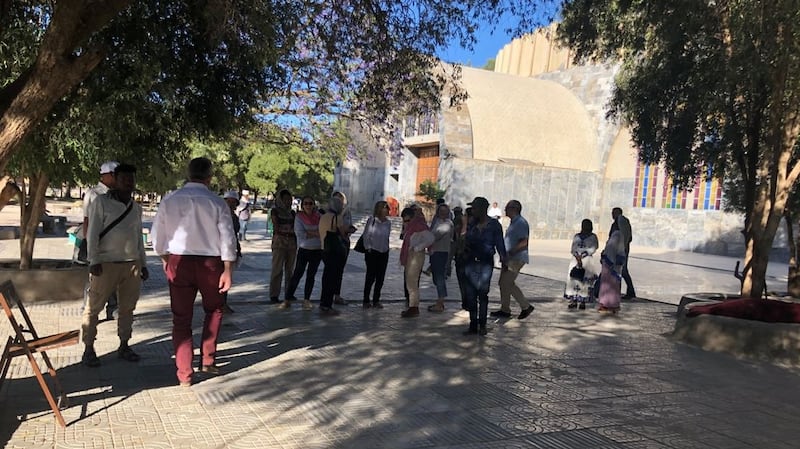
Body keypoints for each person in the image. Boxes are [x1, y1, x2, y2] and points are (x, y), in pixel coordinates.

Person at [151, 157, 237, 387]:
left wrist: (165, 257)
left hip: (179, 261)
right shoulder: (217, 202)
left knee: (181, 318)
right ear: (210, 177)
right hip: (210, 263)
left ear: (188, 174)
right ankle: (207, 360)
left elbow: (157, 236)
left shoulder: (170, 200)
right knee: (215, 309)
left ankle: (184, 374)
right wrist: (228, 268)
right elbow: (228, 237)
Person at [81, 164, 148, 367]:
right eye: (124, 178)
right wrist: (94, 260)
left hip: (131, 264)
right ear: (115, 180)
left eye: (131, 179)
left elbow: (138, 238)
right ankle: (89, 348)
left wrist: (143, 264)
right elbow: (92, 233)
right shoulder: (100, 202)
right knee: (94, 308)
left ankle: (124, 344)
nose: (128, 182)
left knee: (128, 308)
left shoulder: (136, 208)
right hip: (106, 264)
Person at [79, 161, 119, 321]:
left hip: (113, 246)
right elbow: (87, 221)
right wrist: (91, 246)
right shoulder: (93, 194)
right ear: (106, 175)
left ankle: (113, 308)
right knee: (94, 279)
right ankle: (88, 308)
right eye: (116, 175)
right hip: (97, 244)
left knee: (113, 277)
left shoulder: (117, 195)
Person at [462, 197, 507, 336]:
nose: (472, 211)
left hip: (485, 262)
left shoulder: (494, 225)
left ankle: (482, 324)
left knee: (482, 293)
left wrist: (504, 260)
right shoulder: (471, 224)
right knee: (470, 294)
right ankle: (473, 324)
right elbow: (465, 240)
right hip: (470, 261)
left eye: (474, 208)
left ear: (482, 209)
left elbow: (500, 244)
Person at [490, 200, 535, 319]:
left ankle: (526, 306)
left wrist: (509, 253)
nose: (505, 209)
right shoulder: (514, 222)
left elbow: (524, 242)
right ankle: (505, 309)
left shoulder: (520, 223)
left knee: (507, 282)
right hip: (509, 258)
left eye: (507, 208)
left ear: (514, 209)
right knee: (503, 283)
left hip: (516, 258)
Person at [284, 196, 322, 311]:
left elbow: (322, 231)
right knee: (297, 274)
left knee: (311, 276)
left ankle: (307, 300)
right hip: (304, 249)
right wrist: (315, 233)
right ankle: (287, 299)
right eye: (306, 203)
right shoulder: (299, 217)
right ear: (302, 205)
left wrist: (310, 232)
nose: (308, 206)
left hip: (317, 249)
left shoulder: (319, 216)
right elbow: (300, 234)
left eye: (310, 203)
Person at [399, 207, 434, 317]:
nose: (406, 223)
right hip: (411, 254)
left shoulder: (419, 225)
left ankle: (414, 307)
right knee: (409, 282)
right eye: (404, 221)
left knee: (412, 282)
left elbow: (430, 238)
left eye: (408, 220)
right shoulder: (410, 227)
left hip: (416, 255)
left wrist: (418, 247)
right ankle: (412, 306)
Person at [318, 196, 348, 315]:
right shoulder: (337, 217)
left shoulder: (323, 216)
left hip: (324, 249)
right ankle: (327, 305)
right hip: (335, 252)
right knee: (332, 279)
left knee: (326, 278)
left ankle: (323, 303)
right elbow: (342, 233)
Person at [362, 200, 392, 309]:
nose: (387, 210)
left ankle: (376, 300)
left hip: (384, 252)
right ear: (379, 209)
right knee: (370, 277)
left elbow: (387, 237)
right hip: (372, 251)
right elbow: (366, 235)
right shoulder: (372, 220)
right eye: (385, 208)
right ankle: (366, 300)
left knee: (380, 277)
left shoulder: (388, 223)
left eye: (387, 208)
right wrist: (368, 248)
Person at [564, 219, 600, 310]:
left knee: (585, 281)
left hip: (587, 261)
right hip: (575, 260)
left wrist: (583, 255)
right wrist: (577, 256)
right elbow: (573, 248)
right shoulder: (577, 236)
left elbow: (594, 247)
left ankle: (583, 301)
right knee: (574, 279)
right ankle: (573, 300)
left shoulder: (593, 237)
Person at [269, 189, 297, 303]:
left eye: (289, 199)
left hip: (292, 243)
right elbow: (276, 226)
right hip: (279, 242)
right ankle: (274, 294)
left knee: (290, 269)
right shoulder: (275, 211)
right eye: (285, 199)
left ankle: (289, 293)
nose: (288, 202)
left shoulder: (293, 213)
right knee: (277, 269)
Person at [427, 203, 453, 313]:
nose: (442, 213)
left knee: (439, 277)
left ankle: (440, 302)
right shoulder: (437, 221)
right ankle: (440, 299)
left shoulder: (448, 224)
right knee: (436, 278)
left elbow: (436, 235)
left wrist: (427, 239)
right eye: (440, 211)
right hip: (435, 251)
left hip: (441, 252)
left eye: (444, 211)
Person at [331, 191, 356, 305]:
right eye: (336, 200)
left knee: (340, 270)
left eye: (340, 200)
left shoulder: (347, 212)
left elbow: (348, 224)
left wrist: (348, 230)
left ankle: (337, 295)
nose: (338, 202)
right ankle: (327, 295)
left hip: (344, 242)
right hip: (332, 243)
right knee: (331, 270)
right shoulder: (330, 213)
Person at [222, 191, 243, 314]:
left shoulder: (234, 216)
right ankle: (219, 303)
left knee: (227, 277)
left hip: (231, 249)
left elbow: (234, 235)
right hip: (220, 251)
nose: (230, 204)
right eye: (228, 201)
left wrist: (238, 250)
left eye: (232, 202)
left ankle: (223, 303)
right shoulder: (219, 216)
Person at [598, 225, 626, 314]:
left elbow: (612, 249)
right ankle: (610, 304)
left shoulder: (616, 236)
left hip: (611, 264)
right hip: (609, 264)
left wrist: (608, 258)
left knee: (610, 286)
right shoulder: (616, 236)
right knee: (610, 285)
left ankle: (609, 304)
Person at [612, 207, 636, 298]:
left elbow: (625, 236)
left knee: (623, 270)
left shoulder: (621, 220)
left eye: (614, 213)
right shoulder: (621, 221)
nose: (612, 215)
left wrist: (622, 248)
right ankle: (628, 291)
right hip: (620, 249)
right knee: (621, 270)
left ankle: (630, 291)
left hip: (621, 250)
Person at [452, 206, 470, 310]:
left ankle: (467, 301)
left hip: (466, 257)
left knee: (466, 281)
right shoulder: (458, 222)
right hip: (460, 256)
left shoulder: (472, 228)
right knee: (462, 281)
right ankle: (465, 301)